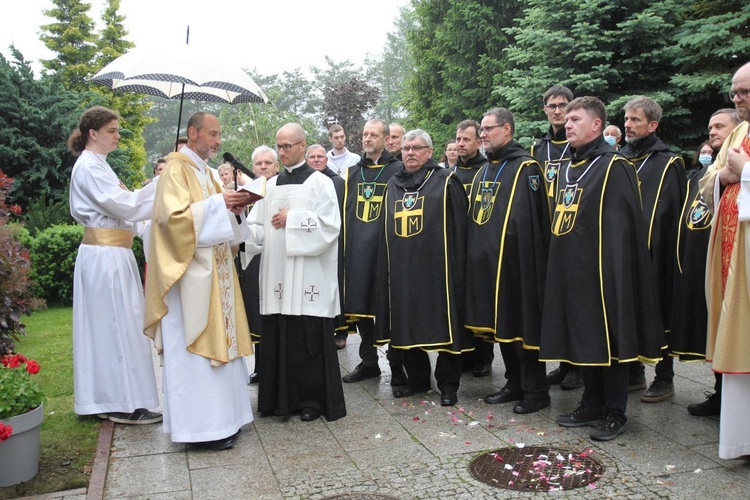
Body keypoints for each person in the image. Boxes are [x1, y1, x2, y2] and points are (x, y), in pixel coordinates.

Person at [540, 96, 664, 441]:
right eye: (567, 119)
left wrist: (613, 276)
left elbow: (622, 229)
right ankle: (591, 402)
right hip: (571, 269)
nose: (567, 123)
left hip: (604, 273)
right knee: (583, 337)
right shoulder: (568, 165)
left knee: (610, 338)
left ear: (597, 125)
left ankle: (615, 410)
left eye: (576, 119)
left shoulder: (614, 166)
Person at [144, 112, 255, 450]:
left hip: (217, 273)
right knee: (195, 356)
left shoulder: (206, 172)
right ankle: (202, 429)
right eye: (212, 134)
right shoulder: (176, 169)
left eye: (219, 134)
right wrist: (218, 204)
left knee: (224, 347)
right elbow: (170, 222)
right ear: (192, 133)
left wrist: (232, 206)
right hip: (190, 280)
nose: (218, 141)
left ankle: (228, 419)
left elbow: (218, 217)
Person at [245, 123, 346, 422]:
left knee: (308, 336)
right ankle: (278, 400)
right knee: (279, 334)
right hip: (277, 275)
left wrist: (294, 218)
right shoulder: (270, 185)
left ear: (303, 146)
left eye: (288, 146)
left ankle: (311, 401)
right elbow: (258, 228)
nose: (283, 151)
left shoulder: (320, 183)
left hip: (307, 276)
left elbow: (330, 227)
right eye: (279, 146)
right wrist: (236, 226)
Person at [68, 106, 162, 425]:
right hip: (104, 256)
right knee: (115, 325)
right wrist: (161, 185)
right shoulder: (89, 168)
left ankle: (120, 396)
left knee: (125, 323)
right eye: (112, 130)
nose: (117, 136)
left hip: (114, 253)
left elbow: (126, 212)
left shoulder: (101, 166)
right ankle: (122, 401)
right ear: (92, 134)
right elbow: (123, 204)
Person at [376, 129, 473, 406]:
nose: (410, 153)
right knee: (407, 325)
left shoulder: (446, 181)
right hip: (403, 269)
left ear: (430, 152)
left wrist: (457, 268)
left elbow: (459, 228)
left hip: (439, 269)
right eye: (406, 148)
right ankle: (417, 380)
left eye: (417, 148)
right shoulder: (393, 184)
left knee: (445, 325)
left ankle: (448, 385)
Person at [465, 108, 551, 413]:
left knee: (523, 327)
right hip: (490, 264)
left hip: (518, 265)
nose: (483, 135)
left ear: (508, 130)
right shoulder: (486, 169)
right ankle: (514, 382)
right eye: (482, 129)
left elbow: (531, 222)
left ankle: (536, 391)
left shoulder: (526, 167)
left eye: (488, 129)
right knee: (503, 328)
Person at [619, 96, 687, 402]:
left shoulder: (668, 162)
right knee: (628, 310)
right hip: (624, 250)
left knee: (660, 310)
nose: (628, 125)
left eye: (636, 120)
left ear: (653, 125)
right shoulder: (619, 158)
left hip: (657, 251)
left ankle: (665, 377)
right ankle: (634, 372)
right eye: (627, 120)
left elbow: (670, 212)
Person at [699, 61, 750, 459]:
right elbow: (708, 179)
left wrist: (745, 172)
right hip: (733, 258)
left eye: (745, 92)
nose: (738, 99)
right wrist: (726, 178)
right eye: (735, 92)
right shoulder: (740, 130)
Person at [340, 119, 406, 386]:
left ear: (386, 138)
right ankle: (368, 362)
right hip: (358, 251)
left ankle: (397, 364)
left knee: (391, 308)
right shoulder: (352, 173)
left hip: (387, 250)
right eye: (365, 134)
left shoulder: (398, 169)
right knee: (362, 307)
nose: (367, 139)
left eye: (374, 135)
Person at [530, 85, 582, 392]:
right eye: (552, 106)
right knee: (554, 302)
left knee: (574, 301)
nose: (558, 110)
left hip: (571, 230)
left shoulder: (579, 143)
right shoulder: (539, 148)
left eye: (563, 105)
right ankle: (563, 364)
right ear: (546, 110)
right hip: (547, 231)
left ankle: (579, 366)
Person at [453, 119, 494, 377]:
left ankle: (484, 356)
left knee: (480, 301)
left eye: (466, 139)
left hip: (479, 244)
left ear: (479, 142)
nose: (460, 144)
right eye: (458, 139)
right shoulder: (451, 173)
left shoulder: (487, 170)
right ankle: (465, 353)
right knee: (460, 302)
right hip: (457, 248)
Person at [238, 146, 280, 385]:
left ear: (276, 166)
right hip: (254, 259)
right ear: (252, 167)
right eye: (258, 163)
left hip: (277, 256)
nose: (263, 167)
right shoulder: (247, 191)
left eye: (268, 163)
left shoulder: (283, 188)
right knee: (257, 311)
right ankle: (260, 366)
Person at [306, 144, 348, 350]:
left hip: (334, 241)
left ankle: (339, 330)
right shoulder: (303, 182)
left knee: (335, 283)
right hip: (309, 239)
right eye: (311, 157)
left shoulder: (338, 182)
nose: (315, 160)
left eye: (320, 157)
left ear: (326, 160)